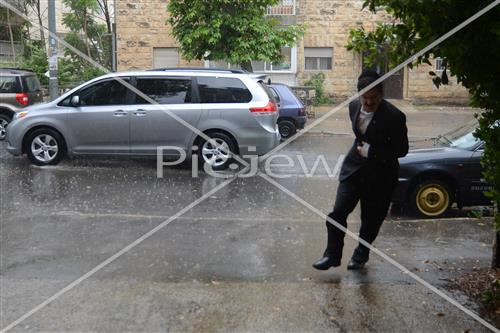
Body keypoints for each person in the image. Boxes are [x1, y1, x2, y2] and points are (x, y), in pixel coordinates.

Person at [313, 70, 409, 271]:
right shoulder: (353, 106)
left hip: (381, 176)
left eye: (373, 98)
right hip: (353, 170)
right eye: (365, 97)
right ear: (359, 95)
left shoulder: (395, 117)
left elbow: (402, 150)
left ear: (381, 95)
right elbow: (360, 134)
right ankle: (332, 254)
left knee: (370, 221)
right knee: (338, 212)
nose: (368, 102)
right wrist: (363, 150)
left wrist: (373, 151)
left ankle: (360, 255)